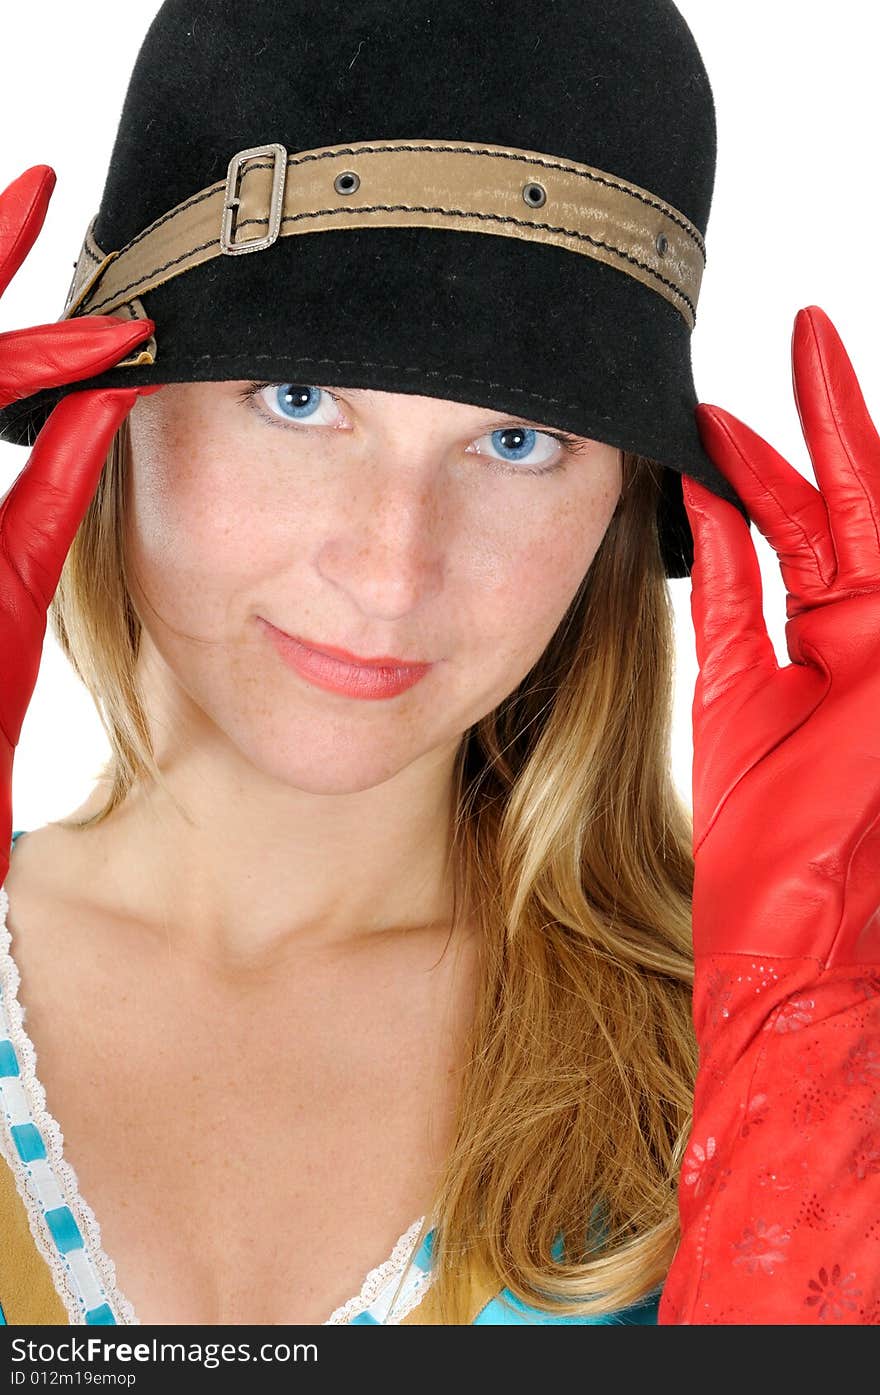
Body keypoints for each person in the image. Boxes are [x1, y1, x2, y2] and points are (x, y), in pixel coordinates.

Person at [1, 0, 878, 1327]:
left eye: (518, 440)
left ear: (623, 505)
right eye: (301, 398)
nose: (392, 567)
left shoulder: (767, 1051)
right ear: (108, 403)